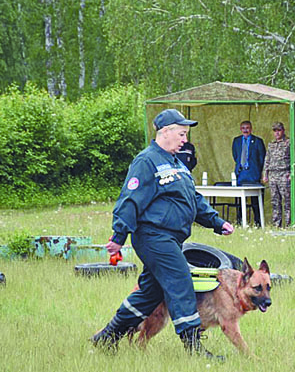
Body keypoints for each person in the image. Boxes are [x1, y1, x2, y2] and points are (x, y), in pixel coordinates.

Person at [91, 109, 234, 359]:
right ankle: (194, 348)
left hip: (171, 239)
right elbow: (129, 200)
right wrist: (118, 237)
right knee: (181, 282)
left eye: (185, 135)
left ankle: (107, 337)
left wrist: (217, 222)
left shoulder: (176, 163)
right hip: (153, 237)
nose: (184, 140)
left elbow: (193, 200)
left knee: (150, 293)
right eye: (181, 134)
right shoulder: (146, 162)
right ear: (165, 132)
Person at [232, 120, 266, 226]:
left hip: (253, 174)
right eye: (243, 128)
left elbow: (262, 158)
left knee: (255, 201)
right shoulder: (236, 141)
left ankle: (258, 223)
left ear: (251, 129)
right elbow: (235, 156)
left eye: (247, 128)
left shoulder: (257, 141)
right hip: (241, 174)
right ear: (240, 129)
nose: (245, 130)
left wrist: (258, 171)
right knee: (240, 200)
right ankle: (240, 221)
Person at [262, 121, 291, 228]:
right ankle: (276, 225)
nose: (277, 133)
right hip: (273, 175)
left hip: (284, 174)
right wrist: (265, 174)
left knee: (287, 201)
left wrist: (291, 173)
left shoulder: (288, 143)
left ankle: (289, 224)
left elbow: (293, 158)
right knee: (275, 201)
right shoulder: (271, 145)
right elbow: (267, 160)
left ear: (283, 131)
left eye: (279, 130)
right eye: (275, 131)